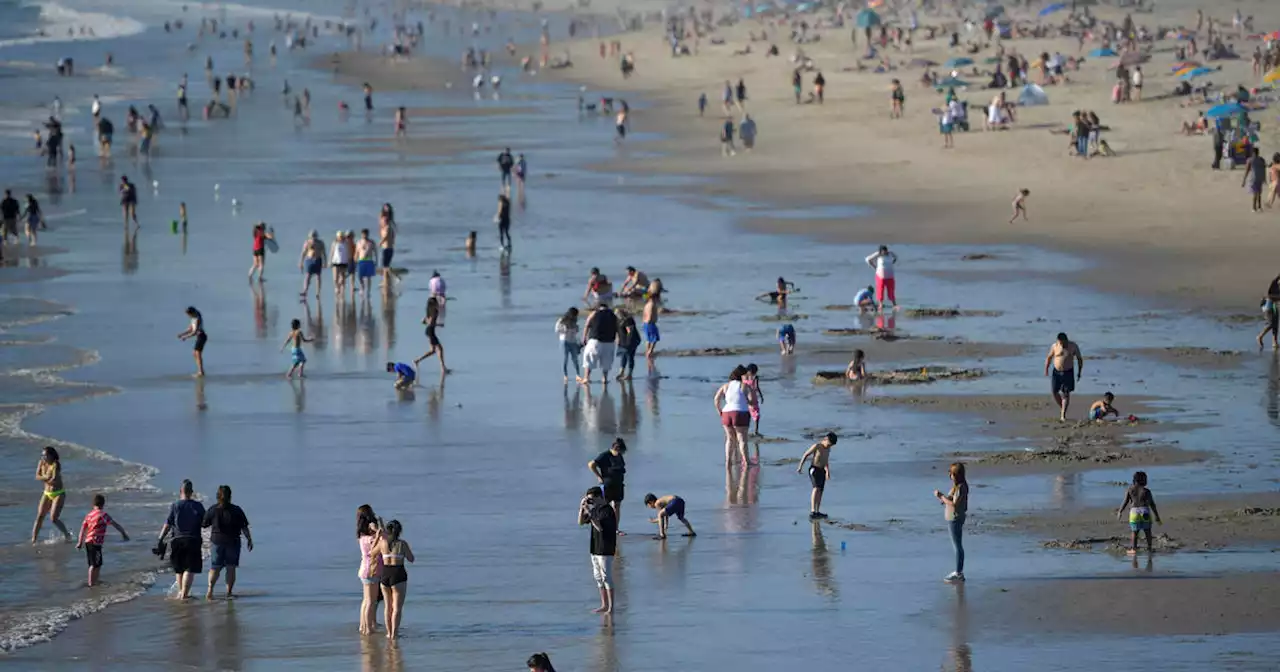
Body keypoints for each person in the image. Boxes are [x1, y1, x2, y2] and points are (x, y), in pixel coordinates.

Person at [158, 479, 206, 600]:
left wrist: (160, 539)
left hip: (177, 540)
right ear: (192, 492)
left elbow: (167, 524)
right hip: (192, 540)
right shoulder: (198, 506)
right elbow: (205, 523)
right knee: (189, 568)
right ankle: (184, 594)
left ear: (181, 491)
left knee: (179, 569)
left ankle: (181, 592)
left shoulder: (175, 505)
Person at [202, 484, 252, 600]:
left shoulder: (213, 509)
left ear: (218, 496)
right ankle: (229, 593)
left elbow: (204, 524)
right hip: (233, 542)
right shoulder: (236, 510)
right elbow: (244, 527)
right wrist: (249, 539)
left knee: (215, 567)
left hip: (217, 541)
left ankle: (210, 590)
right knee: (231, 567)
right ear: (230, 496)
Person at [369, 520, 414, 639]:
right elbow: (411, 559)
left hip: (385, 574)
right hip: (398, 574)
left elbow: (372, 554)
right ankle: (394, 634)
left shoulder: (383, 543)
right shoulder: (402, 544)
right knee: (397, 608)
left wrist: (377, 538)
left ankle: (388, 633)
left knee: (387, 607)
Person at [577, 486, 617, 614]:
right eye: (588, 500)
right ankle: (604, 605)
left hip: (606, 548)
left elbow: (600, 527)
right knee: (598, 577)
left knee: (606, 577)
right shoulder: (595, 509)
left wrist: (590, 512)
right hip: (595, 547)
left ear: (599, 497)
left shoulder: (607, 510)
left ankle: (611, 607)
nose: (590, 502)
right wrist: (582, 508)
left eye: (591, 499)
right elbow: (580, 523)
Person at [76, 493, 128, 587]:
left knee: (97, 563)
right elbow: (115, 524)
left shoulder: (89, 515)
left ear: (93, 504)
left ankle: (95, 581)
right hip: (95, 542)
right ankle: (91, 583)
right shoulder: (103, 515)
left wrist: (80, 542)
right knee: (94, 564)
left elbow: (82, 529)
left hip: (88, 541)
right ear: (103, 504)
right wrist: (123, 534)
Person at [713, 365, 756, 466]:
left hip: (726, 413)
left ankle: (728, 461)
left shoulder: (725, 386)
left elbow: (716, 399)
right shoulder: (744, 386)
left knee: (730, 439)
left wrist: (719, 411)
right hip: (740, 413)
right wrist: (747, 401)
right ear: (741, 376)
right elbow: (753, 401)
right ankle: (746, 461)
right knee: (742, 439)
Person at [933, 462, 968, 582]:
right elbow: (951, 500)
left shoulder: (961, 487)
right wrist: (944, 498)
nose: (949, 475)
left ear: (956, 475)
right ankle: (959, 572)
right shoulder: (957, 487)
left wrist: (941, 497)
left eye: (951, 473)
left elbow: (954, 504)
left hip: (955, 518)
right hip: (953, 518)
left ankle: (958, 572)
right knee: (957, 545)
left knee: (957, 546)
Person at [31, 446, 72, 543]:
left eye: (45, 455)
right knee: (40, 516)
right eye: (42, 455)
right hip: (47, 492)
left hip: (58, 493)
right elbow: (37, 476)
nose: (43, 457)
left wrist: (44, 478)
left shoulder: (55, 464)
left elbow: (53, 480)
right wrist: (46, 477)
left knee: (53, 518)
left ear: (51, 455)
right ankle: (34, 539)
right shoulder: (41, 462)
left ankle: (67, 535)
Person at [1116, 471, 1161, 556]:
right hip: (1145, 511)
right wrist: (1156, 516)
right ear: (1143, 481)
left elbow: (1125, 502)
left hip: (1134, 512)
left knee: (1134, 532)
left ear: (1134, 480)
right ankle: (1149, 548)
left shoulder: (1130, 489)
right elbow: (1152, 504)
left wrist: (1120, 511)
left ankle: (1134, 549)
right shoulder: (1147, 491)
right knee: (1147, 531)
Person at [587, 438, 627, 533]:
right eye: (621, 451)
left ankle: (615, 529)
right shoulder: (605, 455)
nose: (622, 453)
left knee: (617, 506)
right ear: (616, 448)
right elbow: (591, 464)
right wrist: (599, 476)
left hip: (618, 485)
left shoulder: (619, 456)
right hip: (607, 485)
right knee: (604, 506)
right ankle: (601, 527)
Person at [1044, 332, 1083, 421]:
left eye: (1064, 343)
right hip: (1056, 372)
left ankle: (1063, 415)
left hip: (1068, 372)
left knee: (1066, 393)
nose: (1062, 345)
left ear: (1067, 340)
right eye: (1061, 343)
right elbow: (1049, 357)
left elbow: (1079, 359)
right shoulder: (1055, 346)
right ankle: (1063, 407)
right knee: (1054, 391)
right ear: (1058, 341)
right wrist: (1046, 369)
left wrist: (1079, 372)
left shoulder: (1073, 346)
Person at [797, 432, 837, 519]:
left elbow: (826, 460)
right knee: (816, 488)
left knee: (821, 490)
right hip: (814, 469)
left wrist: (827, 471)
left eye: (831, 446)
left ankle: (817, 511)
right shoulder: (817, 446)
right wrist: (800, 467)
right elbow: (806, 455)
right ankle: (812, 511)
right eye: (829, 444)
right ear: (826, 439)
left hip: (822, 470)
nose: (829, 446)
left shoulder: (828, 449)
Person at [356, 505, 382, 635]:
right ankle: (368, 628)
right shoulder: (371, 538)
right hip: (372, 570)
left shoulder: (361, 536)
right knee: (371, 601)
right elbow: (381, 541)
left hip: (364, 569)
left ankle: (363, 625)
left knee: (366, 601)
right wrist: (378, 528)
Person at [580, 304, 618, 384]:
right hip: (609, 342)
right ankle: (604, 378)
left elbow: (587, 325)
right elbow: (617, 328)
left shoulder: (594, 313)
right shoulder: (613, 315)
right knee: (606, 362)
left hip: (595, 340)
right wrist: (618, 339)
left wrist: (584, 337)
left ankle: (586, 378)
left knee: (589, 359)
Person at [414, 296, 449, 374]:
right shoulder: (435, 311)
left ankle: (417, 360)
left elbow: (424, 321)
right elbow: (431, 322)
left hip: (429, 331)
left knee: (433, 350)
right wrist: (439, 325)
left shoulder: (429, 311)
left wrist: (432, 323)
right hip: (430, 331)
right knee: (439, 349)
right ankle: (443, 368)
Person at [865, 245, 898, 312]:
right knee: (880, 290)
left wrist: (892, 263)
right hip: (880, 276)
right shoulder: (878, 254)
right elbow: (868, 259)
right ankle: (880, 304)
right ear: (880, 251)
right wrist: (874, 267)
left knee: (891, 290)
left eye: (886, 251)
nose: (885, 252)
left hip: (890, 276)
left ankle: (894, 304)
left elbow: (896, 257)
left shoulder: (890, 253)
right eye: (883, 251)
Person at [177, 306, 207, 376]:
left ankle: (201, 372)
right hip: (199, 337)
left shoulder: (197, 319)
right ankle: (200, 370)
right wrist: (182, 334)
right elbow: (190, 329)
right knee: (194, 354)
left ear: (192, 313)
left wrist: (185, 337)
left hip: (201, 336)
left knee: (198, 354)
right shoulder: (193, 319)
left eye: (188, 314)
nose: (188, 316)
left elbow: (194, 332)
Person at [298, 230, 326, 299]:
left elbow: (323, 253)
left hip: (318, 259)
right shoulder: (307, 242)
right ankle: (305, 291)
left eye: (314, 236)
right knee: (307, 276)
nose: (313, 238)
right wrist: (301, 262)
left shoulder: (320, 243)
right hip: (309, 260)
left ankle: (318, 292)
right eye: (312, 236)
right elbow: (303, 253)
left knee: (318, 276)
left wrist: (325, 262)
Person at [556, 307, 582, 382]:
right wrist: (565, 329)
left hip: (573, 341)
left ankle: (578, 375)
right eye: (575, 314)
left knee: (575, 359)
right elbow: (557, 329)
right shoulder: (562, 320)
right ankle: (565, 375)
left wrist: (576, 329)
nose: (576, 316)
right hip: (564, 341)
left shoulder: (575, 320)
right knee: (565, 359)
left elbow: (576, 330)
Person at [615, 309, 641, 380]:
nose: (616, 315)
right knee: (623, 356)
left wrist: (628, 343)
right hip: (623, 341)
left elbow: (630, 332)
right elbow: (617, 331)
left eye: (617, 313)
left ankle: (629, 374)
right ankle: (621, 372)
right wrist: (617, 340)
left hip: (632, 340)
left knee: (630, 356)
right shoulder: (617, 320)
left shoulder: (628, 320)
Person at [1243, 147, 1267, 213]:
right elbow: (1264, 169)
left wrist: (1244, 180)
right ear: (1258, 152)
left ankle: (1254, 208)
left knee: (1255, 194)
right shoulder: (1262, 159)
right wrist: (1264, 178)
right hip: (1260, 178)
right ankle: (1259, 207)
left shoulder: (1250, 160)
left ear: (1253, 153)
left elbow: (1247, 171)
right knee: (1259, 193)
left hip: (1253, 179)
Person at [1259, 274, 1280, 349]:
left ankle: (1275, 342)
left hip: (1274, 305)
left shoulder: (1278, 286)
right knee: (1270, 324)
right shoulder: (1273, 284)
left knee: (1276, 325)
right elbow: (1269, 295)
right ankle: (1260, 336)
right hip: (1268, 305)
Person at [355, 228, 377, 295]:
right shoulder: (359, 242)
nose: (364, 235)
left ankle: (368, 291)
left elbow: (375, 252)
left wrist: (376, 261)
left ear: (368, 234)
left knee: (368, 277)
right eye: (363, 234)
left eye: (366, 234)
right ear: (361, 234)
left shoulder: (371, 242)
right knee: (359, 276)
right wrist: (355, 259)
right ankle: (362, 286)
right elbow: (357, 252)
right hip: (361, 260)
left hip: (369, 260)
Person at [379, 204, 396, 286]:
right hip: (389, 247)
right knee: (386, 265)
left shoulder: (388, 227)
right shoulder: (389, 226)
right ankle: (385, 281)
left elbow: (386, 236)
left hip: (387, 247)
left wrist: (380, 242)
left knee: (385, 266)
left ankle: (393, 276)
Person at [641, 290, 660, 359]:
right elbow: (650, 314)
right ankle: (650, 351)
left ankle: (647, 351)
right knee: (655, 338)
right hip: (650, 323)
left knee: (648, 339)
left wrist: (644, 322)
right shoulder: (652, 304)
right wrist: (650, 321)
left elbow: (644, 315)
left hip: (646, 323)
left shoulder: (647, 305)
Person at [330, 231, 350, 296]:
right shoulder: (334, 243)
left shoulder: (346, 243)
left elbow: (348, 252)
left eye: (341, 236)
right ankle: (336, 287)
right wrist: (329, 261)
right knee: (335, 277)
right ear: (337, 237)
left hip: (343, 262)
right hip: (335, 262)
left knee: (342, 278)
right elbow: (332, 252)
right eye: (339, 237)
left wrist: (349, 260)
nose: (340, 238)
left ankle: (341, 288)